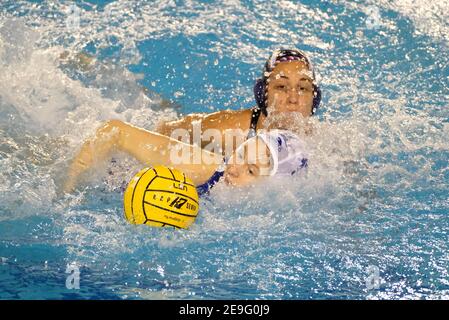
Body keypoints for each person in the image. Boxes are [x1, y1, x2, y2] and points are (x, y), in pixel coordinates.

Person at [62, 120, 308, 195]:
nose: (234, 169)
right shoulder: (205, 167)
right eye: (241, 153)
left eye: (251, 171)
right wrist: (70, 186)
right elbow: (115, 131)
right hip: (112, 173)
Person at [155, 48, 321, 152]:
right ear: (263, 94)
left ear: (314, 99)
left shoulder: (322, 146)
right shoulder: (227, 131)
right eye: (281, 87)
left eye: (302, 88)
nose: (293, 98)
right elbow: (162, 132)